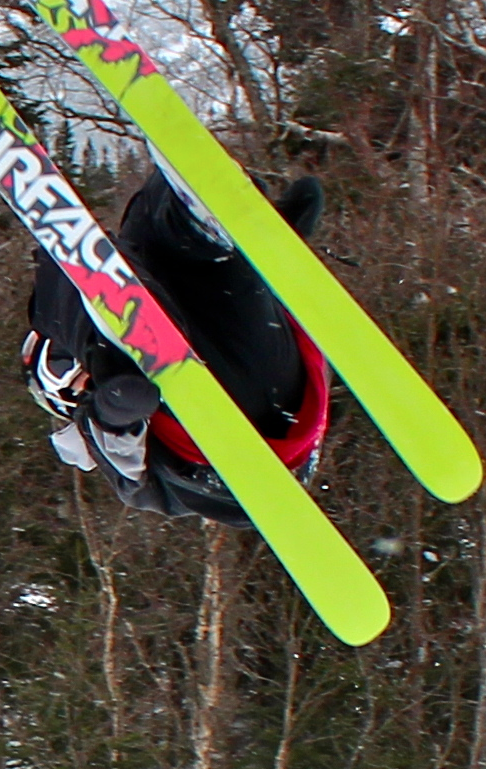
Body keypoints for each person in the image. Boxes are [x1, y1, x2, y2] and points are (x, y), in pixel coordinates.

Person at [19, 164, 334, 516]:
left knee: (163, 247)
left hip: (270, 376)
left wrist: (269, 248)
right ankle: (96, 280)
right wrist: (111, 417)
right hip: (221, 449)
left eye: (58, 359)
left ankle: (198, 225)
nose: (71, 370)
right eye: (58, 368)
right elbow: (124, 458)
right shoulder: (116, 455)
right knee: (82, 315)